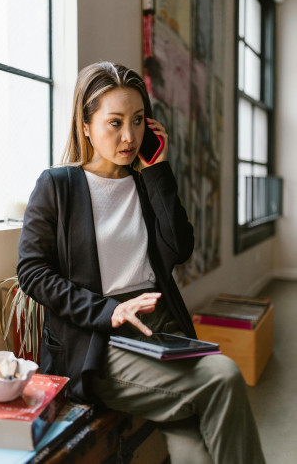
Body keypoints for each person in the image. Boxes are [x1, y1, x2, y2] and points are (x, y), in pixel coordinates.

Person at [17, 61, 266, 464]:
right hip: (99, 340)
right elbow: (31, 272)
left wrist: (157, 169)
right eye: (114, 123)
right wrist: (109, 312)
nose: (129, 136)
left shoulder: (145, 181)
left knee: (197, 449)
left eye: (137, 121)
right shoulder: (57, 185)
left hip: (162, 327)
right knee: (223, 377)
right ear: (85, 124)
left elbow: (179, 249)